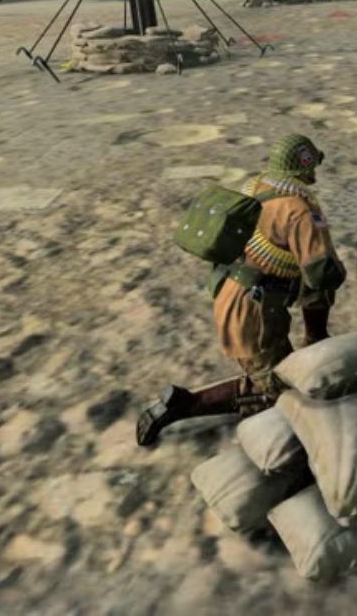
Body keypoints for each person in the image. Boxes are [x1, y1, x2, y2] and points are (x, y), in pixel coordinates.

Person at [136, 134, 345, 447]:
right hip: (253, 313)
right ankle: (184, 405)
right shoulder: (299, 209)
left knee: (273, 369)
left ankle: (295, 354)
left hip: (232, 290)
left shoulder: (256, 185)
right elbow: (321, 273)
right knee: (281, 389)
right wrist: (333, 270)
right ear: (304, 166)